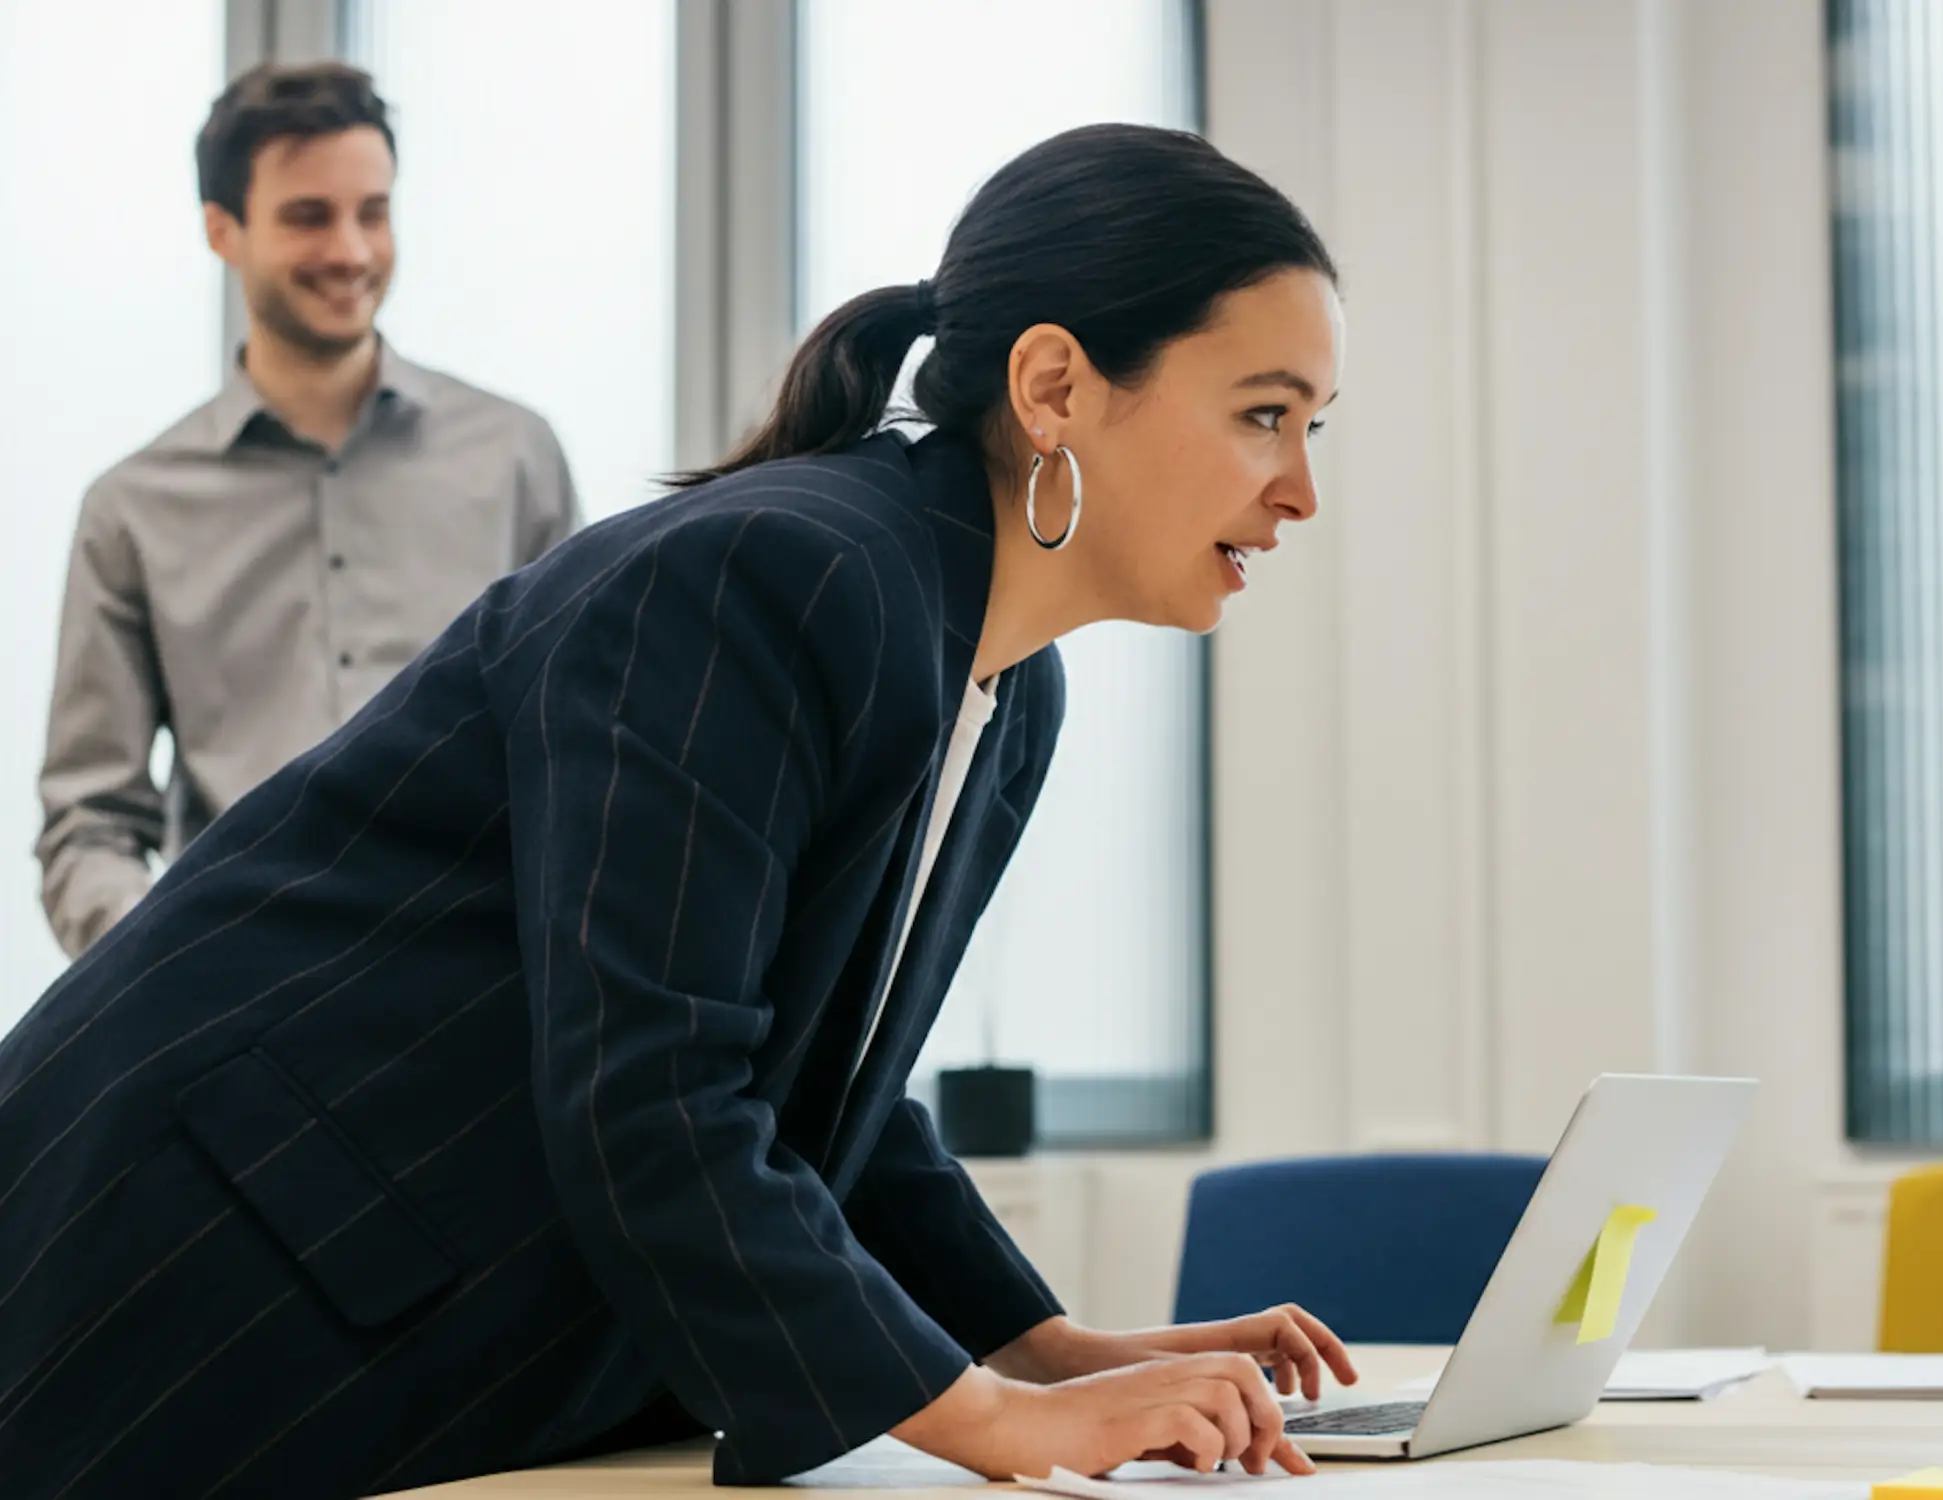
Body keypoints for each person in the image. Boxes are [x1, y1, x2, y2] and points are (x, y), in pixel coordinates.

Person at [0, 122, 1346, 1496]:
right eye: (1262, 414)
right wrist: (990, 1419)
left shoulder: (1001, 688)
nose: (1299, 489)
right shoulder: (770, 575)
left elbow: (823, 1076)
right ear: (1055, 384)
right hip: (199, 1260)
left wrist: (1043, 1347)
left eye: (1311, 428)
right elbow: (652, 1085)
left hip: (405, 1289)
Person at [35, 60, 578, 959]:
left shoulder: (517, 457)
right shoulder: (130, 509)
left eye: (374, 211)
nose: (353, 252)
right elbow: (89, 824)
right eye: (308, 216)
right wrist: (163, 978)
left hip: (483, 991)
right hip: (236, 1010)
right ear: (223, 231)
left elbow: (581, 743)